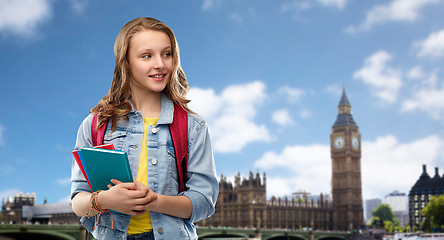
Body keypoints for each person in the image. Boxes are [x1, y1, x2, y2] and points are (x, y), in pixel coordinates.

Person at [70, 17, 219, 240]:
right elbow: (77, 201)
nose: (160, 64)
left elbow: (204, 202)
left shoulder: (192, 127)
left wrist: (155, 201)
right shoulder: (95, 124)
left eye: (166, 54)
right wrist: (105, 200)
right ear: (125, 61)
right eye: (146, 56)